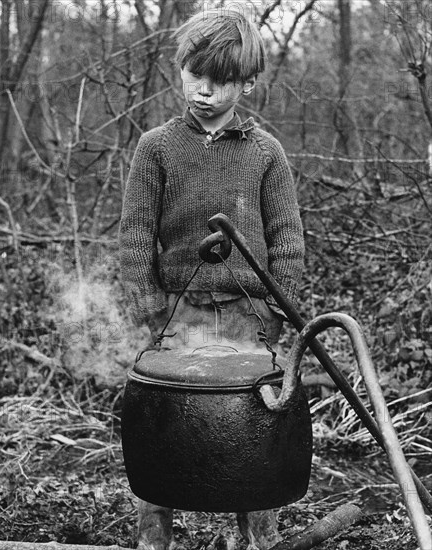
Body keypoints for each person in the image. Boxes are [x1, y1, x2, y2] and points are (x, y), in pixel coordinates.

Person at [119, 8, 305, 550]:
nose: (205, 90)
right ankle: (155, 538)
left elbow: (288, 240)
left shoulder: (265, 153)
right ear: (180, 71)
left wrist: (279, 310)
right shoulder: (156, 147)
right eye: (195, 75)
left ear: (246, 83)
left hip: (251, 318)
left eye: (221, 81)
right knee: (163, 429)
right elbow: (135, 237)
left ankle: (259, 538)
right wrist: (150, 311)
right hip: (179, 314)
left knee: (257, 432)